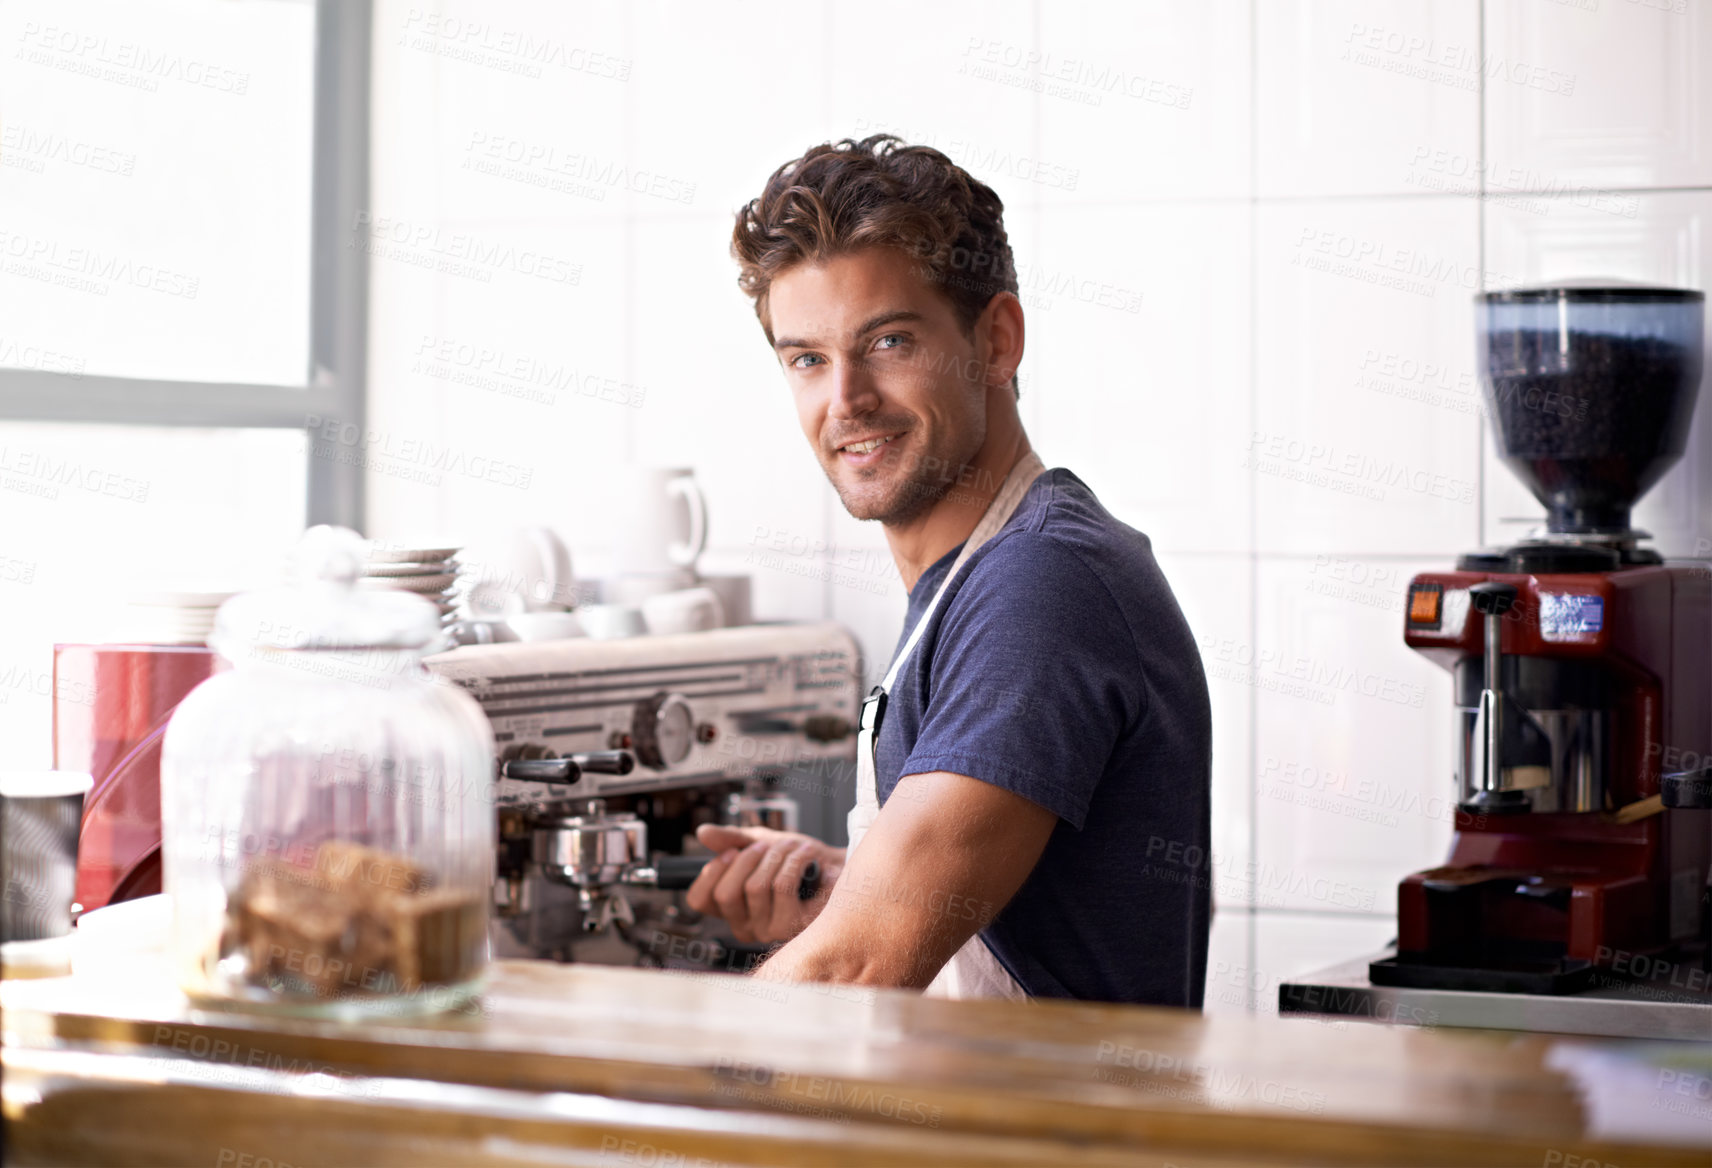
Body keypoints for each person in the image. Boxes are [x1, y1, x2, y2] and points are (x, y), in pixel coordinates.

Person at [684, 135, 1212, 1005]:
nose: (845, 399)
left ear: (996, 340)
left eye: (888, 341)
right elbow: (1022, 907)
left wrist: (652, 1089)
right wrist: (851, 884)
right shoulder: (975, 579)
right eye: (807, 358)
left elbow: (860, 967)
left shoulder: (1043, 582)